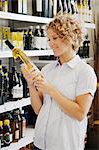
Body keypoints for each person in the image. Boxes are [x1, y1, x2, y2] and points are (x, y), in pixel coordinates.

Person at [21, 14, 97, 150]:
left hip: (64, 145)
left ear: (70, 37)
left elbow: (80, 113)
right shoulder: (47, 70)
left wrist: (50, 90)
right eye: (49, 39)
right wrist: (31, 84)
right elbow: (39, 110)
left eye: (55, 38)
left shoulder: (85, 72)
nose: (50, 43)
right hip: (40, 143)